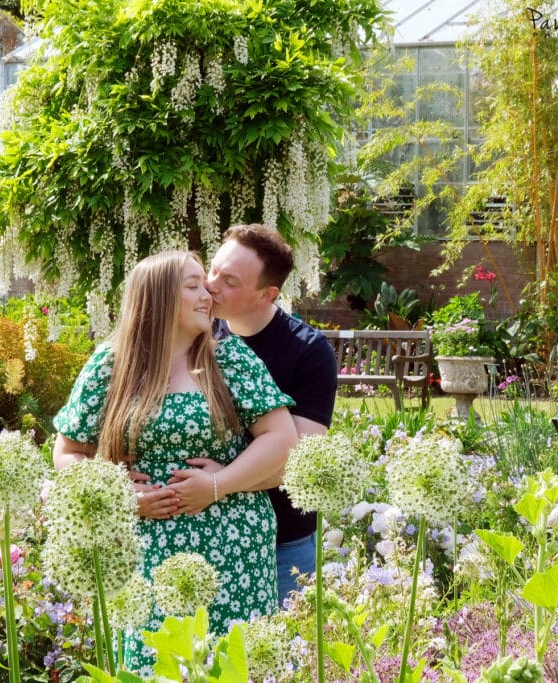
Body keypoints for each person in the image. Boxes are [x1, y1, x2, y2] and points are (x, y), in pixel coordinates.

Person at [52, 250, 297, 674]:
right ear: (159, 296)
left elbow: (282, 439)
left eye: (205, 284)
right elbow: (68, 452)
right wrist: (121, 497)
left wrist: (217, 485)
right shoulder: (111, 366)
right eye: (193, 285)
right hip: (146, 553)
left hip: (234, 550)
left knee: (234, 668)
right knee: (152, 665)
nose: (207, 295)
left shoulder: (229, 359)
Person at [199, 224, 339, 600]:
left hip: (283, 541)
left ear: (267, 294)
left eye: (229, 281)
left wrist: (218, 483)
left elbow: (295, 464)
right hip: (203, 533)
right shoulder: (193, 333)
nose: (210, 285)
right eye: (213, 270)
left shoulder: (308, 351)